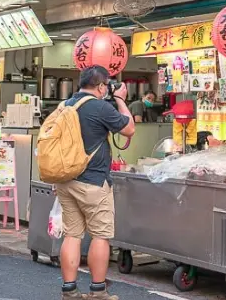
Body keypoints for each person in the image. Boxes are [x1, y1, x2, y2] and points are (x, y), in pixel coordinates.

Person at [58, 66, 134, 300]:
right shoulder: (100, 106)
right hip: (93, 181)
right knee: (100, 235)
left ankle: (69, 290)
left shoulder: (65, 105)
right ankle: (97, 290)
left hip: (66, 180)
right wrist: (120, 99)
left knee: (72, 234)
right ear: (101, 86)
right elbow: (129, 128)